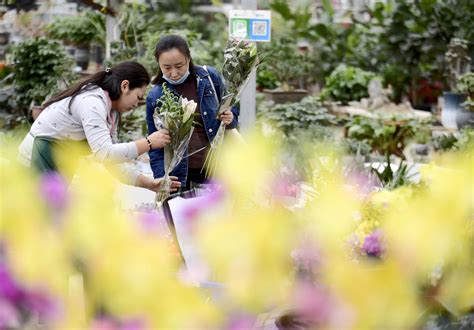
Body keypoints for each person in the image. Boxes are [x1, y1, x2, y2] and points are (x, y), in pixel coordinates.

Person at [18, 61, 180, 193]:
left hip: (56, 168)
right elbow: (106, 154)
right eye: (138, 97)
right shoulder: (92, 102)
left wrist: (149, 184)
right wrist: (149, 143)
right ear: (125, 86)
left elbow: (114, 162)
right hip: (34, 165)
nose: (137, 104)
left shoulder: (111, 111)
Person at [146, 35, 239, 190]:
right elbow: (154, 143)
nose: (174, 73)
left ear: (188, 59)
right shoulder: (156, 96)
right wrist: (161, 179)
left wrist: (230, 117)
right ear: (159, 65)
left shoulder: (209, 78)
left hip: (217, 169)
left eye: (179, 65)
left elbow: (231, 107)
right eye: (167, 68)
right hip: (179, 176)